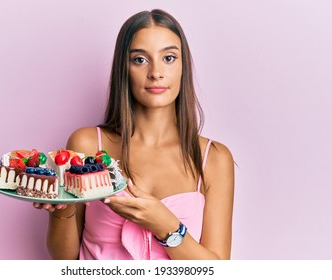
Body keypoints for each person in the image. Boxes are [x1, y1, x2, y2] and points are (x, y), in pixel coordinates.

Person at [33, 9, 234, 260]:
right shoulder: (86, 145)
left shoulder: (213, 158)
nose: (156, 72)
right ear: (124, 69)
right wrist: (60, 211)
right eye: (140, 59)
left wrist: (165, 225)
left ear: (184, 67)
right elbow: (65, 260)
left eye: (169, 58)